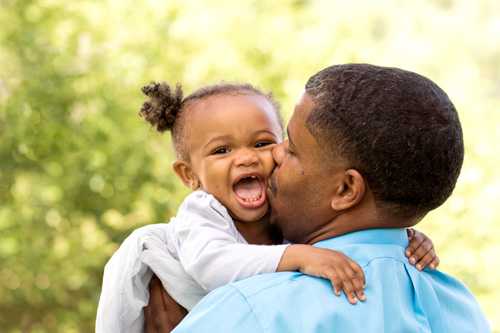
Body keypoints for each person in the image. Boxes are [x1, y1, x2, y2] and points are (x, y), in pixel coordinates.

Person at [147, 64, 490, 332]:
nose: (273, 156)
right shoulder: (461, 307)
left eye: (290, 148)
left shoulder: (249, 312)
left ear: (345, 190)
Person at [96, 80, 437, 333]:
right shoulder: (201, 213)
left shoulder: (282, 205)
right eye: (221, 151)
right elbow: (212, 265)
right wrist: (299, 257)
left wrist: (406, 238)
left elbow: (354, 224)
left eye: (262, 143)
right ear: (189, 175)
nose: (246, 158)